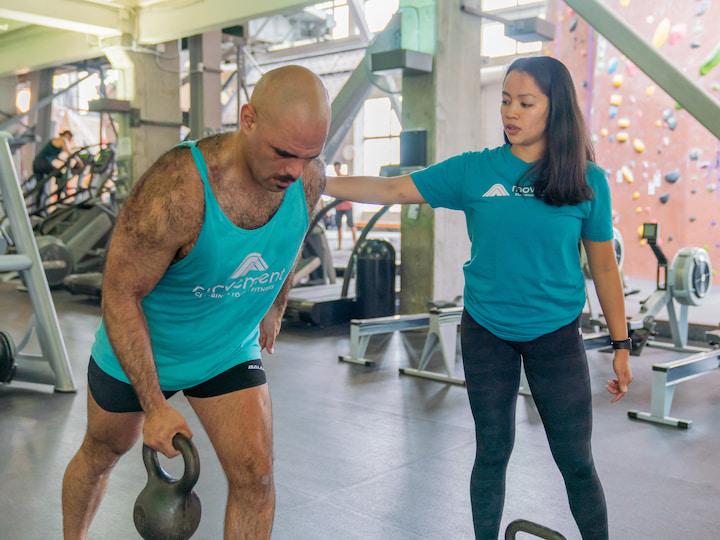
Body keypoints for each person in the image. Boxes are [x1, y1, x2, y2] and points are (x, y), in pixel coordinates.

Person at [323, 56, 632, 540]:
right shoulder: (475, 171)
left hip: (556, 336)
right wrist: (317, 182)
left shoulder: (587, 180)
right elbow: (393, 187)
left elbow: (605, 267)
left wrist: (620, 345)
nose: (510, 112)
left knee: (576, 462)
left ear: (556, 109)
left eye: (526, 102)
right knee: (492, 450)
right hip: (487, 331)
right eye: (506, 100)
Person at [61, 65, 331, 539]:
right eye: (283, 153)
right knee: (100, 455)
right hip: (142, 352)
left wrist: (275, 304)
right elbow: (121, 295)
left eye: (308, 155)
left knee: (256, 478)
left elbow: (290, 238)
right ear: (248, 119)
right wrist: (154, 405)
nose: (294, 170)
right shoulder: (177, 190)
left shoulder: (307, 176)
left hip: (225, 351)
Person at [332, 161, 357, 249]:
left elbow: (352, 188)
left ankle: (355, 245)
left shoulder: (345, 177)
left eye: (338, 167)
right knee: (339, 227)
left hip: (347, 205)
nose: (336, 169)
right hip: (338, 206)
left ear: (340, 167)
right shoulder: (333, 180)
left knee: (351, 225)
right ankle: (339, 246)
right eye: (335, 167)